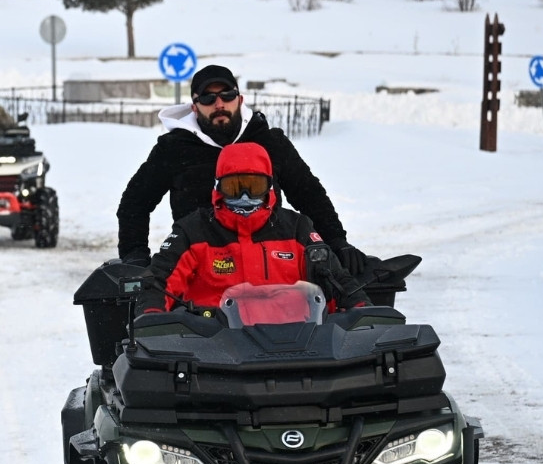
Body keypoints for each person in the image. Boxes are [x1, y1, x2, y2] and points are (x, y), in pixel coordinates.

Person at [117, 65, 364, 277]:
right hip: (199, 268)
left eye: (227, 94)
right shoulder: (174, 148)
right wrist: (135, 256)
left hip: (271, 264)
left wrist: (337, 241)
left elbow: (309, 194)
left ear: (240, 99)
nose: (219, 103)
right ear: (194, 106)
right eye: (208, 98)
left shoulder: (269, 141)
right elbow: (135, 202)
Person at [144, 141, 365, 312]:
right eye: (235, 186)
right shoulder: (193, 231)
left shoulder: (297, 228)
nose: (244, 196)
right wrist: (151, 317)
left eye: (254, 186)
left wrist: (363, 312)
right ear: (218, 187)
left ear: (269, 187)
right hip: (212, 346)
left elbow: (335, 280)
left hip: (295, 343)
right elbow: (159, 280)